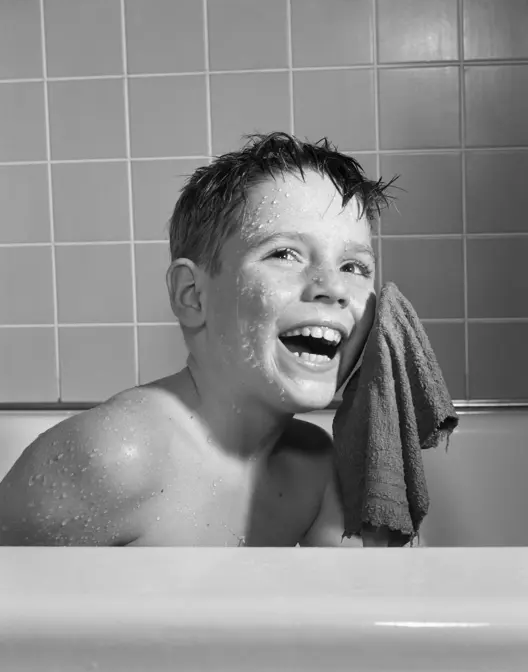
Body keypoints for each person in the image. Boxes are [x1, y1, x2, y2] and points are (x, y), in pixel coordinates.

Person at [0, 132, 398, 547]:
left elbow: (353, 600)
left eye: (354, 266)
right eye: (284, 254)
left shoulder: (314, 469)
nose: (332, 287)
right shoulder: (116, 458)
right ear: (192, 295)